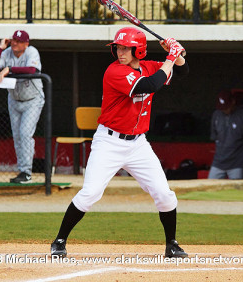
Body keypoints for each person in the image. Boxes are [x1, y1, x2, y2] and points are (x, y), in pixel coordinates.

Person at [50, 27, 189, 258]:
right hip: (109, 142)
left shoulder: (149, 67)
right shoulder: (114, 71)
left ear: (139, 50)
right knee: (91, 192)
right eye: (118, 47)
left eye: (126, 48)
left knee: (164, 194)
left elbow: (182, 73)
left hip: (138, 144)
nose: (120, 51)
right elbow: (149, 86)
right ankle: (59, 241)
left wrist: (177, 54)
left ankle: (171, 244)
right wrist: (171, 57)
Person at [0, 30, 45, 183]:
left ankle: (26, 172)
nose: (14, 43)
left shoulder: (32, 52)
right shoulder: (7, 53)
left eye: (19, 41)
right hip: (14, 99)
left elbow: (31, 70)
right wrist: (0, 48)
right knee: (17, 136)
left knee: (25, 134)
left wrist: (10, 69)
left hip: (33, 99)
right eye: (13, 40)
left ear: (26, 44)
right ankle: (22, 171)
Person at [208, 90, 243, 180]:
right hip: (218, 161)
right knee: (209, 187)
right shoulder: (216, 115)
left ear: (233, 102)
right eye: (222, 107)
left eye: (226, 107)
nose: (224, 109)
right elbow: (215, 136)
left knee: (237, 191)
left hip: (237, 162)